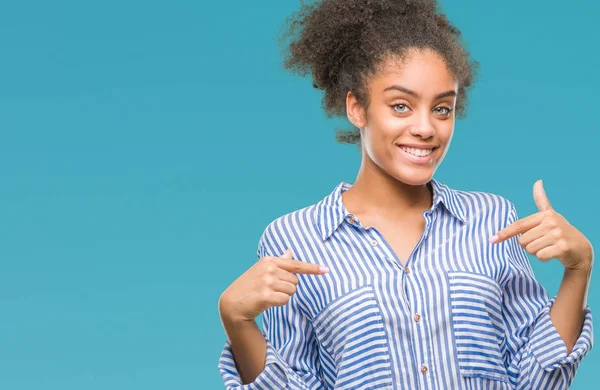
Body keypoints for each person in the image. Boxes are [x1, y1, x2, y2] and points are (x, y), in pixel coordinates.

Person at [217, 0, 594, 388]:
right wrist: (236, 319)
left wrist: (578, 268)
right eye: (401, 106)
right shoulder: (292, 240)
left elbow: (539, 378)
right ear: (356, 108)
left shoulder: (493, 219)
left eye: (442, 109)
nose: (425, 128)